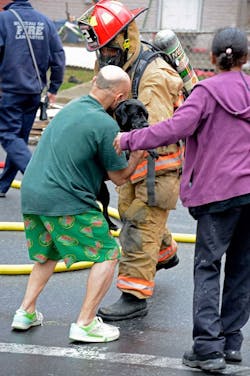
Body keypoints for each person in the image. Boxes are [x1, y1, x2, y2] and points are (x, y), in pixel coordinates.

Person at [113, 27, 250, 371]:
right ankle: (231, 344)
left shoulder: (204, 92)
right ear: (246, 58)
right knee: (241, 270)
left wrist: (129, 139)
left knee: (207, 267)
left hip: (218, 195)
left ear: (215, 58)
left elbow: (173, 129)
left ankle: (207, 348)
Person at [11, 65, 143, 343]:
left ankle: (25, 312)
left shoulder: (71, 108)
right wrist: (139, 152)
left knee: (48, 253)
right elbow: (119, 177)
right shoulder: (105, 125)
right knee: (108, 252)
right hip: (64, 199)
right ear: (119, 97)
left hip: (32, 193)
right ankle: (85, 323)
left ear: (95, 82)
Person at [78, 0, 184, 321]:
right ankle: (164, 253)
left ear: (126, 39)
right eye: (101, 51)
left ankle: (134, 293)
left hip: (158, 163)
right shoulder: (119, 64)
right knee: (129, 209)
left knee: (140, 220)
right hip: (132, 155)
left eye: (109, 49)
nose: (103, 57)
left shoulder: (155, 76)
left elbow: (158, 131)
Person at [0, 0, 65, 197]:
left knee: (8, 135)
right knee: (19, 138)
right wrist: (54, 87)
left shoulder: (3, 20)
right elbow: (58, 57)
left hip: (10, 91)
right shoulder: (45, 21)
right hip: (33, 93)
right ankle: (3, 185)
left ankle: (37, 178)